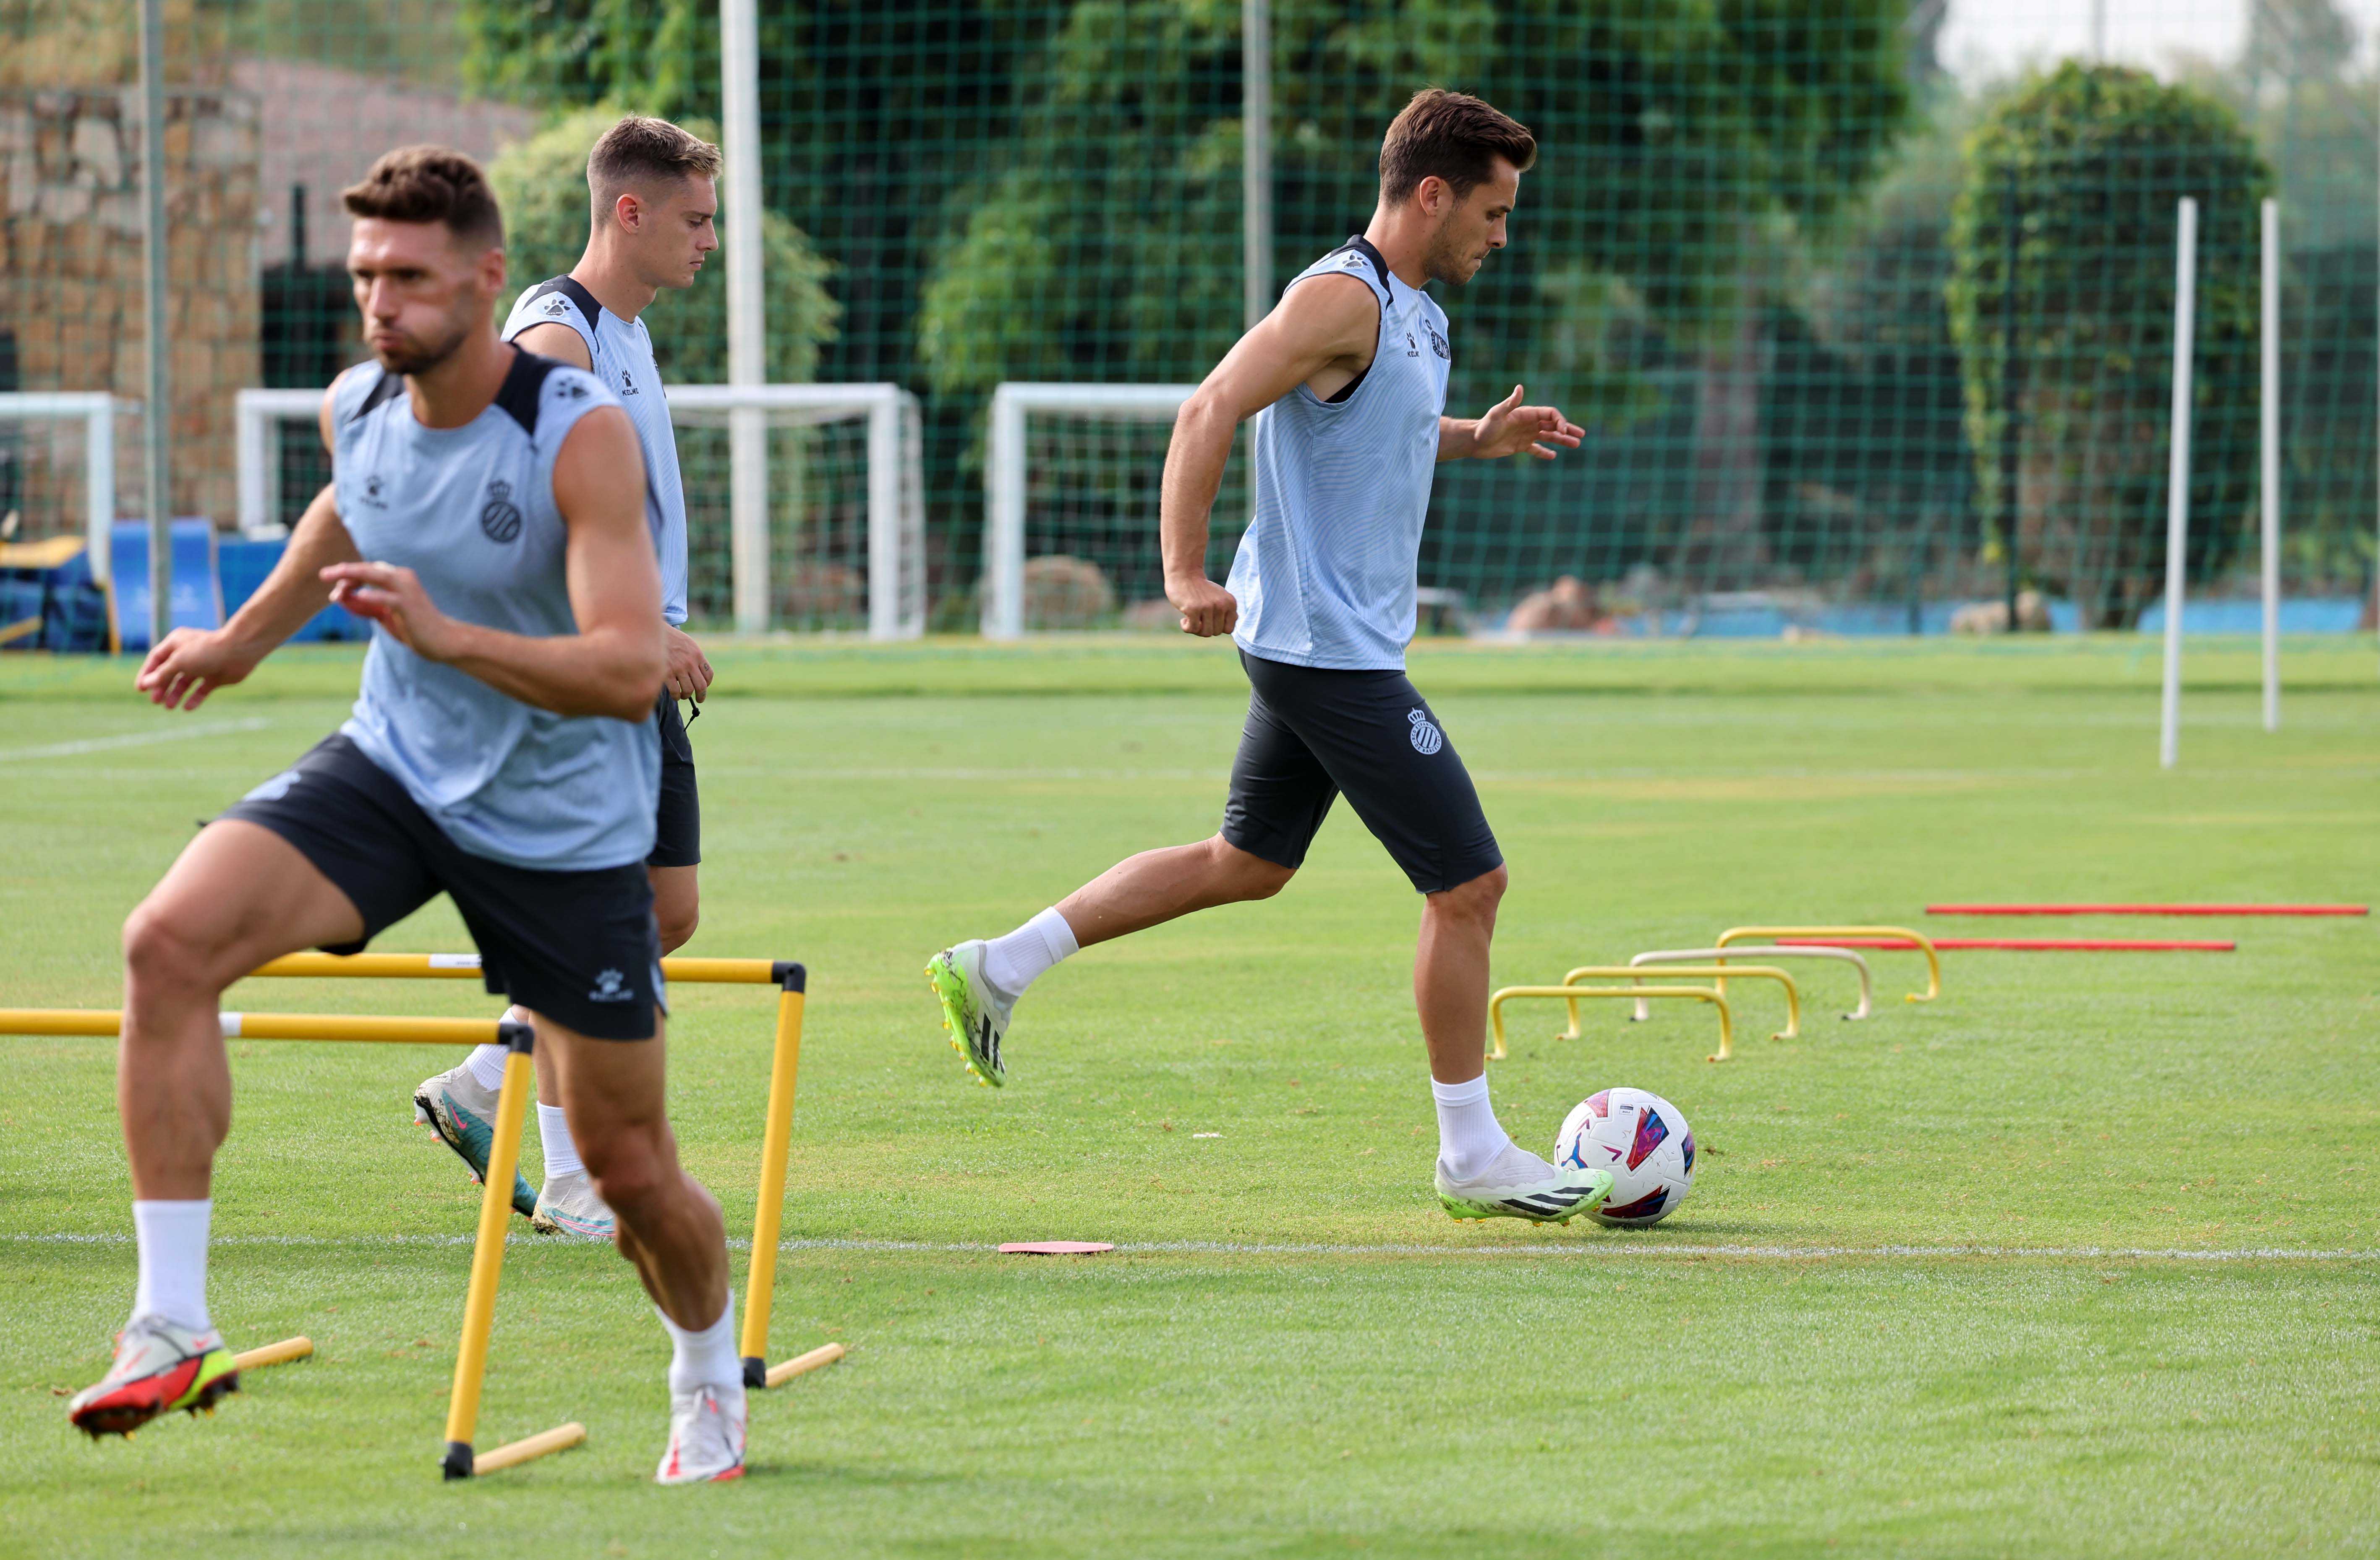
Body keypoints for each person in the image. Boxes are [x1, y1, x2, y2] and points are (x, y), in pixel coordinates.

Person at [71, 147, 747, 1482]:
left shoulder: (575, 430)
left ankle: (707, 1375)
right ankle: (172, 1321)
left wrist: (445, 635)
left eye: (412, 278)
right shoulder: (357, 404)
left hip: (561, 815)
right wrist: (240, 642)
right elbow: (346, 511)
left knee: (629, 1169)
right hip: (396, 766)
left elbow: (628, 666)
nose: (382, 302)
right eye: (367, 276)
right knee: (167, 942)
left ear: (486, 279)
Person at [927, 90, 1604, 1225]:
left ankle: (998, 964)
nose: (1502, 235)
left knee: (1246, 861)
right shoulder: (1340, 295)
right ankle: (1472, 1153)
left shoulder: (1418, 314)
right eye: (1493, 212)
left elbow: (1377, 430)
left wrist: (1477, 437)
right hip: (1328, 654)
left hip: (1323, 646)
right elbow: (1210, 408)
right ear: (1432, 194)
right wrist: (1184, 574)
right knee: (1469, 884)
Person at [412, 115, 719, 1243]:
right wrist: (625, 625)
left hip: (632, 665)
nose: (710, 241)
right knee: (598, 914)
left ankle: (483, 1084)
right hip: (586, 670)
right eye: (695, 220)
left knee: (665, 912)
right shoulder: (558, 333)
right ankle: (574, 1177)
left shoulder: (625, 333)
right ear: (628, 212)